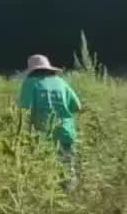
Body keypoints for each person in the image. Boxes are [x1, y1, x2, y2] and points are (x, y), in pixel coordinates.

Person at [17, 54, 82, 190]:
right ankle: (69, 196)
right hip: (66, 131)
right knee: (67, 170)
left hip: (43, 134)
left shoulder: (30, 83)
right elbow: (77, 106)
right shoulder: (61, 82)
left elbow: (24, 109)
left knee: (45, 173)